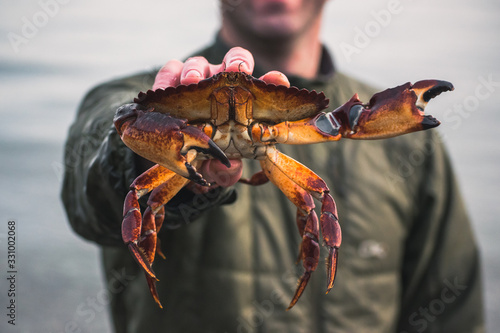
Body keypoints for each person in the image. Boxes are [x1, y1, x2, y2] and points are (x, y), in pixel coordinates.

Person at [61, 1, 484, 332]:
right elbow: (101, 147)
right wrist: (155, 145)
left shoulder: (398, 146)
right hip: (168, 135)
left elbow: (450, 309)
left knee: (315, 200)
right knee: (143, 198)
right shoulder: (148, 98)